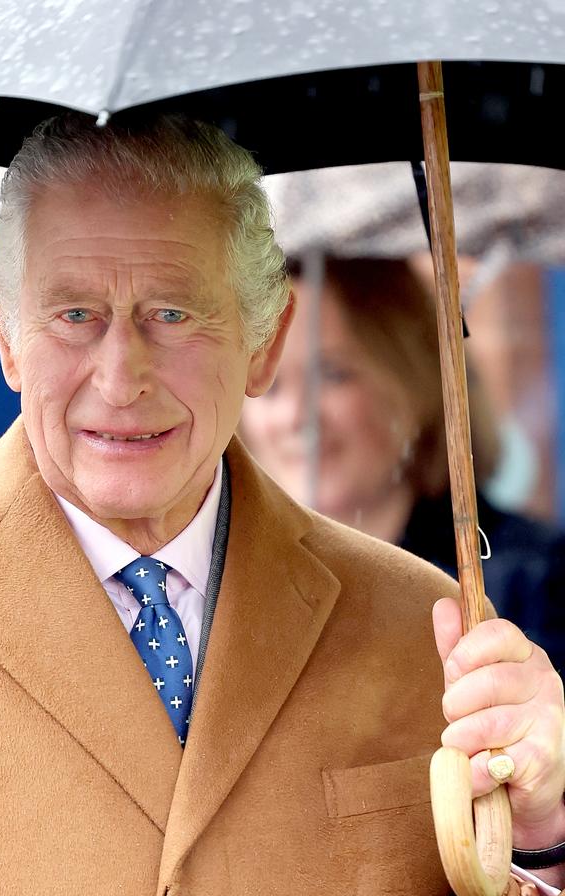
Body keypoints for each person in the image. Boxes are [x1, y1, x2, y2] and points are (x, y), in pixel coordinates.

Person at [0, 115, 563, 896]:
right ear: (5, 334)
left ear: (265, 338)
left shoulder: (423, 632)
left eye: (173, 312)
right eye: (75, 314)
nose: (121, 376)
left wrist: (546, 838)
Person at [239, 256, 565, 676]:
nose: (296, 417)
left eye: (334, 373)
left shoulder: (535, 581)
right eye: (271, 383)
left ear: (413, 377)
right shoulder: (225, 588)